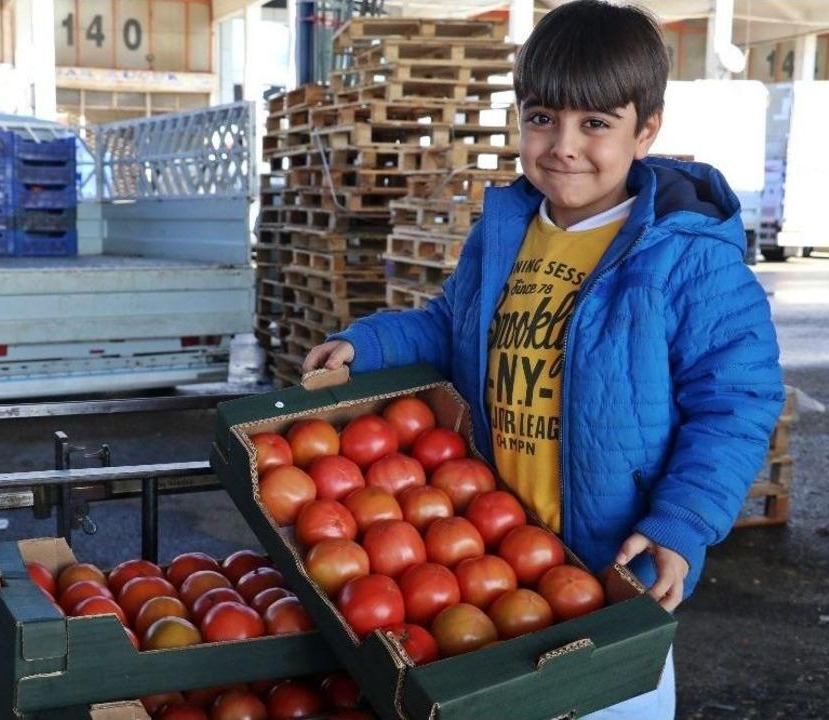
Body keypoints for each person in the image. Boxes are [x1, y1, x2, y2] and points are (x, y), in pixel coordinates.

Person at [302, 1, 785, 716]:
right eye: (541, 118)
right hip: (494, 559)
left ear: (645, 130)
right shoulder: (506, 234)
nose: (563, 144)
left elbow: (737, 404)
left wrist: (683, 521)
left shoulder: (687, 258)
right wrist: (367, 343)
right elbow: (449, 326)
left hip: (609, 570)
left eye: (595, 124)